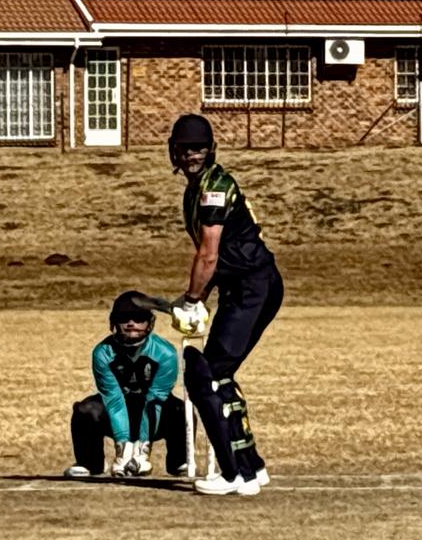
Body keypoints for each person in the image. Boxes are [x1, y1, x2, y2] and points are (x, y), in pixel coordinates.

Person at [168, 114, 284, 496]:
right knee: (219, 374)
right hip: (245, 286)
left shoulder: (214, 186)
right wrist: (194, 298)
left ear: (211, 149)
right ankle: (252, 466)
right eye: (185, 148)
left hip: (254, 286)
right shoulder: (197, 186)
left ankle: (236, 475)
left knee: (205, 376)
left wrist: (192, 299)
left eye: (198, 147)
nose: (192, 154)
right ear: (174, 151)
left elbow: (209, 255)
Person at [64, 290, 187, 478]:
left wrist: (141, 452)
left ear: (149, 323)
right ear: (113, 323)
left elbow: (156, 399)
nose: (131, 324)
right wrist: (123, 451)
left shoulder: (165, 353)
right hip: (117, 412)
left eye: (139, 318)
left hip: (153, 412)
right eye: (124, 318)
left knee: (181, 409)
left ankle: (180, 463)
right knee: (85, 410)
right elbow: (113, 399)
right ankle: (89, 463)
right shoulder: (102, 353)